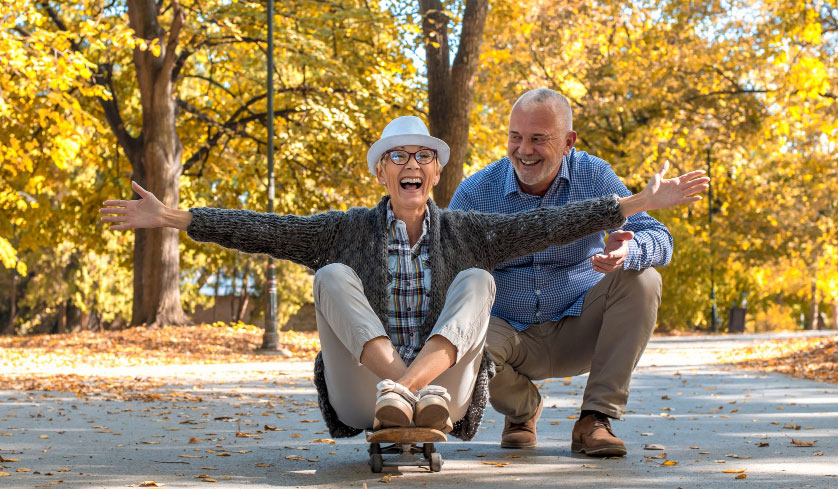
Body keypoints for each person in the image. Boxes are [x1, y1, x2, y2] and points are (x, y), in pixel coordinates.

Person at [100, 115, 707, 442]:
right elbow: (263, 228)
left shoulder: (469, 230)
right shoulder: (345, 230)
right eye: (398, 157)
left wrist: (631, 203)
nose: (410, 164)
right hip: (366, 392)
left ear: (436, 174)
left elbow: (556, 224)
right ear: (381, 174)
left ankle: (418, 389)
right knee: (333, 275)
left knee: (475, 280)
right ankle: (400, 387)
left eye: (422, 157)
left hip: (447, 396)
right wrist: (172, 217)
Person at [450, 88, 689, 456]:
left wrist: (629, 251)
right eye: (516, 137)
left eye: (538, 139)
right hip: (508, 333)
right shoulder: (475, 193)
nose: (524, 150)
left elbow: (660, 239)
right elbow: (448, 272)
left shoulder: (593, 176)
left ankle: (595, 419)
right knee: (456, 337)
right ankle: (522, 410)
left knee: (644, 278)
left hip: (579, 325)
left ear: (568, 142)